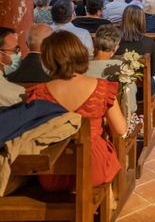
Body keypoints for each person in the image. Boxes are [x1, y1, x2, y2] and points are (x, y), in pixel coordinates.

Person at [25, 30, 126, 190]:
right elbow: (120, 130)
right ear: (80, 53)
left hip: (53, 168)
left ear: (47, 60)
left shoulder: (39, 92)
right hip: (93, 167)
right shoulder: (102, 88)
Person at [116, 6, 155, 110]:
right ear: (141, 21)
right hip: (143, 89)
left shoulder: (115, 42)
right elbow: (152, 72)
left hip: (118, 86)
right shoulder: (148, 43)